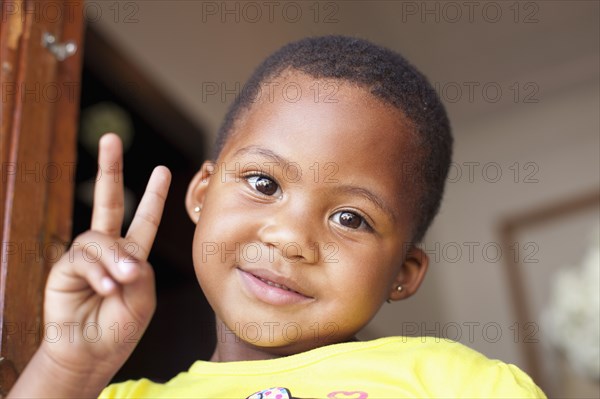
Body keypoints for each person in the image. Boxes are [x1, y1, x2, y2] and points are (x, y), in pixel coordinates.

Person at [8, 36, 546, 398]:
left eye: (350, 219)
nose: (291, 238)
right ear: (201, 194)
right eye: (264, 184)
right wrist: (66, 368)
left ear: (402, 274)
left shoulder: (457, 384)